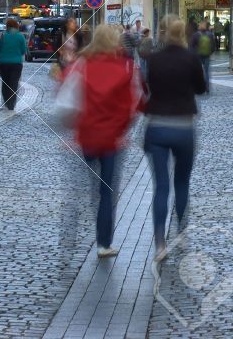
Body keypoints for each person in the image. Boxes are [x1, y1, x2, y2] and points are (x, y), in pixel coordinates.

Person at [71, 24, 141, 258]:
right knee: (107, 192)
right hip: (112, 140)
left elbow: (71, 101)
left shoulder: (82, 64)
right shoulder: (124, 67)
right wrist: (120, 129)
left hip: (87, 137)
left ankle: (75, 236)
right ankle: (103, 243)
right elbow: (132, 106)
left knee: (92, 187)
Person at [141, 18, 207, 262]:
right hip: (183, 127)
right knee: (182, 183)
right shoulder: (191, 59)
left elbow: (149, 86)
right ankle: (181, 232)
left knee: (161, 187)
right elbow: (201, 89)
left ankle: (160, 243)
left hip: (156, 126)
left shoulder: (154, 59)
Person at [0, 17, 26, 111]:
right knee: (14, 83)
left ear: (7, 26)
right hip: (16, 64)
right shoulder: (20, 36)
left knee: (5, 83)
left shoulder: (3, 35)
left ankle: (6, 101)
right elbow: (23, 50)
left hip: (4, 63)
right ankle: (11, 103)